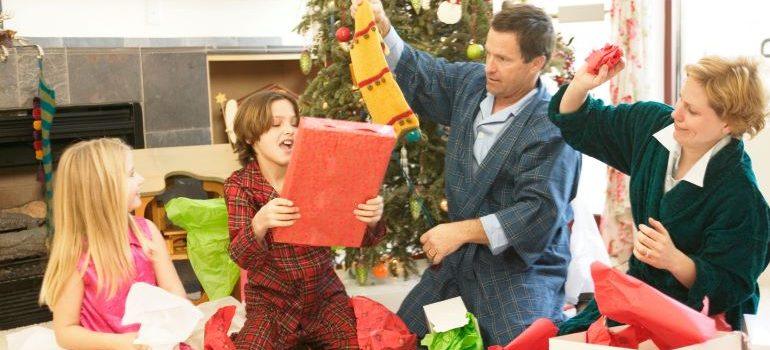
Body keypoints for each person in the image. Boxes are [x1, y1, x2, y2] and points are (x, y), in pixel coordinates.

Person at [353, 1, 581, 343]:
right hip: (461, 262)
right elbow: (425, 72)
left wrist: (460, 231)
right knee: (398, 338)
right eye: (488, 53)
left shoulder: (554, 126)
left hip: (519, 269)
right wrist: (384, 27)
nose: (489, 66)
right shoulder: (472, 84)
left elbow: (539, 212)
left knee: (524, 341)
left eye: (503, 59)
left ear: (537, 63)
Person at [551, 56, 770, 333]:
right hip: (641, 293)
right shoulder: (653, 126)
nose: (676, 113)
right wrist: (581, 85)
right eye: (681, 99)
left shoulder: (741, 196)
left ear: (728, 123)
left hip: (699, 318)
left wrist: (675, 261)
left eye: (691, 110)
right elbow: (581, 122)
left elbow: (731, 286)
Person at [224, 90, 387, 348]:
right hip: (270, 305)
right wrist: (259, 223)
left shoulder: (320, 175)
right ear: (249, 136)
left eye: (295, 123)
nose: (289, 130)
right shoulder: (240, 185)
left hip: (323, 299)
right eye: (276, 124)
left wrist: (371, 220)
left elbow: (360, 238)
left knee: (356, 344)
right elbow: (241, 256)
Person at [39, 138, 187, 350]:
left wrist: (174, 323)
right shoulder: (76, 255)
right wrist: (122, 344)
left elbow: (173, 289)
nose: (141, 179)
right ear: (102, 189)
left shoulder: (147, 233)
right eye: (131, 174)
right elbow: (65, 332)